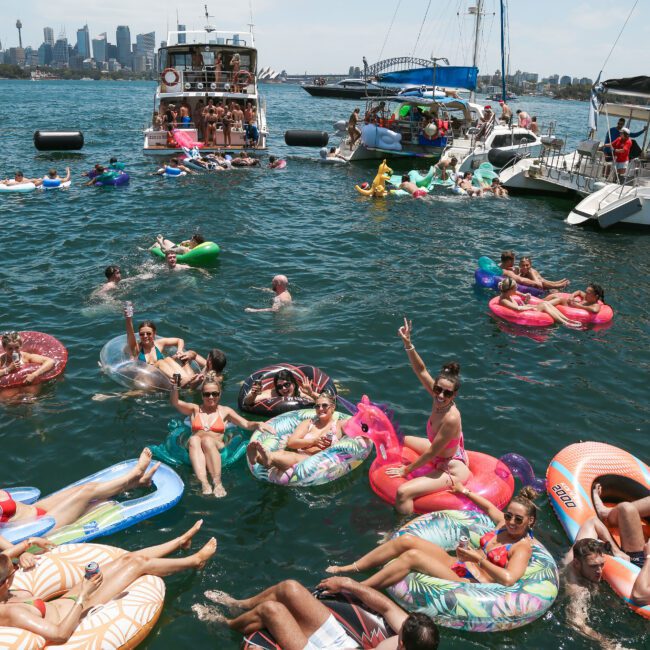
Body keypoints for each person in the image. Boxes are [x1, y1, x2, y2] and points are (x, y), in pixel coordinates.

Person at [0, 521, 216, 646]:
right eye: (14, 570)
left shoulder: (6, 591)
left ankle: (180, 541)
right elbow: (59, 634)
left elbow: (6, 557)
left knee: (127, 560)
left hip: (69, 600)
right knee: (138, 565)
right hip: (80, 611)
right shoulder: (11, 613)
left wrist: (28, 544)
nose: (17, 570)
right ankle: (195, 561)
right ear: (6, 580)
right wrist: (84, 593)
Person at [327, 482, 540, 591]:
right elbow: (488, 507)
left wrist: (479, 559)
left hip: (472, 581)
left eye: (518, 519)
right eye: (509, 515)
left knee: (413, 557)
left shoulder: (522, 547)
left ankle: (355, 589)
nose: (511, 522)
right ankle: (352, 567)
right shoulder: (504, 524)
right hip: (460, 563)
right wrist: (463, 491)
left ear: (530, 521)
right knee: (406, 541)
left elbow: (509, 579)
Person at [193, 576, 440, 650]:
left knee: (272, 610)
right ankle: (240, 603)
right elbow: (385, 607)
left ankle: (224, 622)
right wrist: (347, 584)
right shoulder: (413, 636)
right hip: (346, 644)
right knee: (290, 588)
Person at [385, 319, 471, 515]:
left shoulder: (451, 418)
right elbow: (421, 370)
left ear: (454, 395)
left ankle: (400, 529)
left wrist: (405, 471)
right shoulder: (437, 396)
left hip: (451, 467)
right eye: (438, 389)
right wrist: (408, 343)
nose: (440, 396)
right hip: (444, 453)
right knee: (401, 439)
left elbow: (432, 453)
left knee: (402, 492)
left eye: (447, 393)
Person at [0, 447, 158, 531]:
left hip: (36, 510)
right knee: (88, 492)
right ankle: (134, 474)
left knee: (81, 489)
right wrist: (20, 551)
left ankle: (136, 483)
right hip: (41, 526)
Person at [170, 374, 273, 497]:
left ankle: (217, 482)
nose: (211, 397)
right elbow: (175, 402)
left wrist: (257, 423)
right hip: (195, 446)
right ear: (202, 395)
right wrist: (174, 386)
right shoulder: (194, 409)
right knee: (194, 439)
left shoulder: (225, 411)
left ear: (220, 394)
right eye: (207, 394)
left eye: (215, 393)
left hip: (216, 444)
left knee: (207, 440)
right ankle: (204, 482)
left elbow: (245, 423)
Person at [564, 527, 650, 647]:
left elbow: (592, 522)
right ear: (577, 563)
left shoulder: (577, 552)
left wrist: (615, 550)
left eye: (601, 564)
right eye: (593, 566)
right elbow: (576, 622)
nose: (599, 570)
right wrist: (607, 644)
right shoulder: (578, 589)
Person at [246, 392, 341, 473]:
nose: (320, 409)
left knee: (293, 457)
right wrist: (313, 441)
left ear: (333, 407)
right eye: (317, 406)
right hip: (301, 456)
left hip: (319, 461)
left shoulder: (339, 425)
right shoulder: (308, 423)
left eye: (324, 405)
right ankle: (260, 458)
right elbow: (291, 443)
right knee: (283, 453)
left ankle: (263, 458)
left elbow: (355, 426)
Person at [124, 306, 198, 386]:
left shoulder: (159, 344)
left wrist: (179, 350)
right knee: (160, 362)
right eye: (142, 334)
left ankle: (186, 380)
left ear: (154, 333)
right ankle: (181, 380)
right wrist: (128, 319)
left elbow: (179, 340)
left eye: (148, 333)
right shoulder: (137, 348)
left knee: (168, 359)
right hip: (143, 379)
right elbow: (130, 334)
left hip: (160, 379)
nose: (145, 336)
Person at [497, 278, 582, 328]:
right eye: (515, 288)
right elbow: (517, 308)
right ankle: (565, 323)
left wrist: (524, 295)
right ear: (510, 290)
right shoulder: (504, 300)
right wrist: (530, 307)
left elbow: (516, 293)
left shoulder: (507, 293)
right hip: (524, 312)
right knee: (545, 304)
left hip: (525, 309)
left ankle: (567, 319)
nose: (516, 289)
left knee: (547, 304)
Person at [242, 368, 318, 409]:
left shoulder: (301, 392)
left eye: (287, 384)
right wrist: (253, 394)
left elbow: (325, 401)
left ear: (294, 384)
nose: (284, 388)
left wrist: (311, 394)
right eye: (279, 386)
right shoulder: (273, 393)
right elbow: (246, 402)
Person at [499, 251, 568, 290]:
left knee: (534, 274)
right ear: (509, 261)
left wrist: (529, 270)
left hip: (521, 277)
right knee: (539, 280)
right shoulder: (508, 272)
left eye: (527, 265)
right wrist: (535, 281)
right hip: (518, 284)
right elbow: (521, 280)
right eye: (513, 260)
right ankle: (556, 286)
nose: (514, 262)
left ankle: (555, 283)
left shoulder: (500, 266)